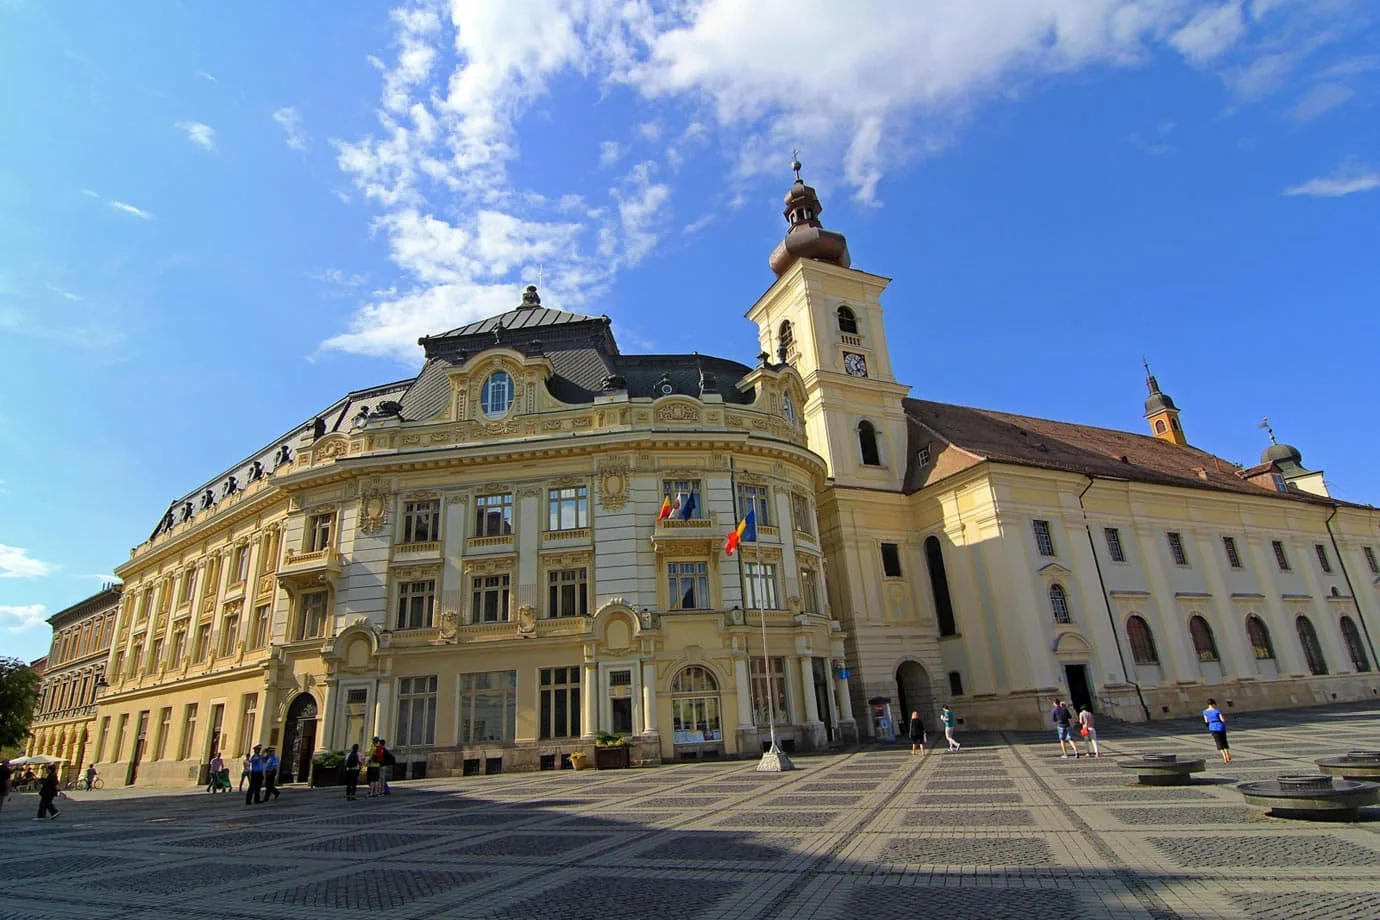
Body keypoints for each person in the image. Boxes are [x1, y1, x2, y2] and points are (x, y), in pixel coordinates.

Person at [1203, 698, 1231, 764]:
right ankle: (1228, 754)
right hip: (1220, 726)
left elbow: (1206, 721)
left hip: (1212, 727)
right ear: (1213, 704)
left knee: (1218, 742)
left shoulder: (1205, 712)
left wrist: (1209, 724)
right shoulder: (1217, 711)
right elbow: (1222, 719)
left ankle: (1224, 756)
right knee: (1224, 741)